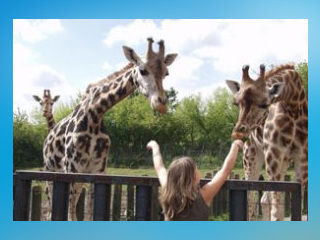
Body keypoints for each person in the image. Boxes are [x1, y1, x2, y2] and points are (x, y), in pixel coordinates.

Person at [146, 139, 244, 221]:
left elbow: (159, 167)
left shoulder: (168, 192)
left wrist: (155, 147)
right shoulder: (204, 195)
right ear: (193, 177)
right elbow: (225, 170)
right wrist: (235, 146)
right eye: (196, 168)